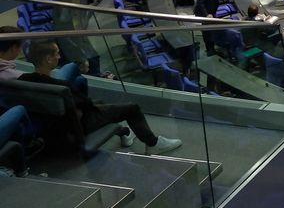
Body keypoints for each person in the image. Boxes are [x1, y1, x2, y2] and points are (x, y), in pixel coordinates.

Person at [22, 41, 181, 155]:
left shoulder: (23, 80)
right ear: (48, 59)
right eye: (56, 53)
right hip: (78, 125)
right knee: (132, 108)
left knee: (106, 106)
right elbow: (87, 104)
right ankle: (153, 143)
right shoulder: (62, 87)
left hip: (53, 129)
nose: (59, 56)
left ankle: (125, 133)